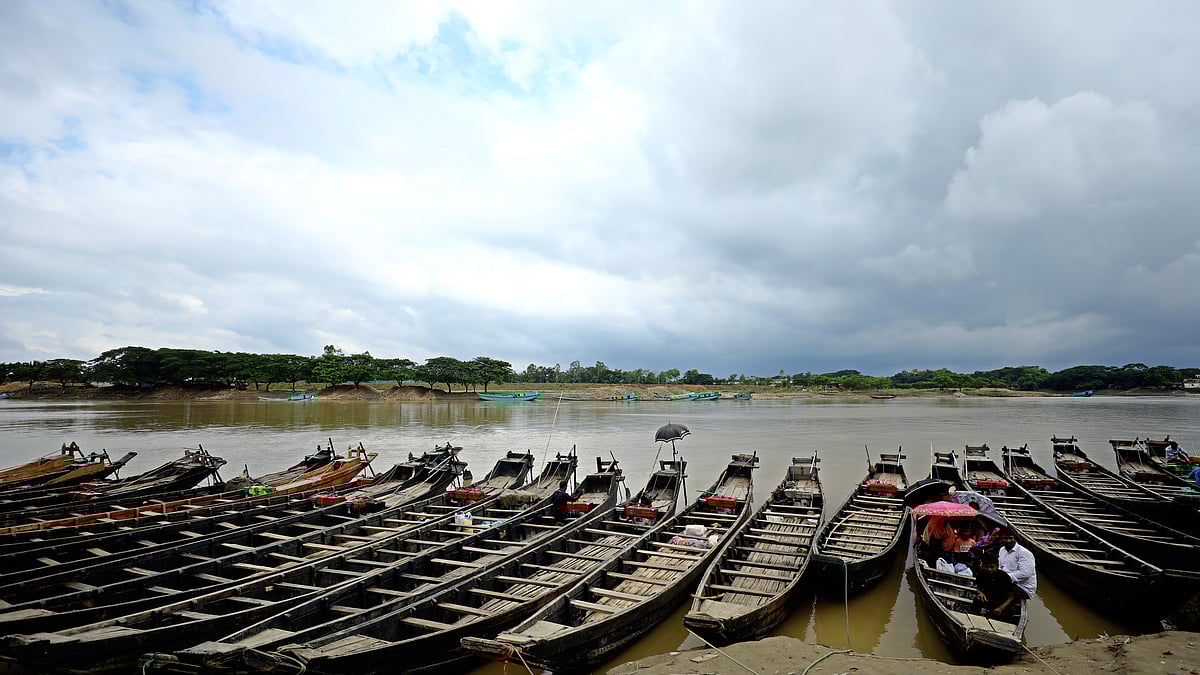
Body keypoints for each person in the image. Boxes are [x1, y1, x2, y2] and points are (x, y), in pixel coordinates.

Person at [996, 529, 1037, 601]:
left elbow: (1025, 573)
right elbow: (1001, 567)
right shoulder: (1002, 550)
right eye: (1005, 538)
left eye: (1011, 538)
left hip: (1023, 588)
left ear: (1015, 538)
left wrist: (1004, 578)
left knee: (995, 589)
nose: (1008, 541)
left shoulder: (1024, 553)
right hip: (1008, 582)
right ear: (1000, 539)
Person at [974, 550, 1017, 618]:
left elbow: (1011, 597)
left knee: (1010, 611)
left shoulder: (1005, 577)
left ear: (997, 566)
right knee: (977, 600)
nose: (989, 569)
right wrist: (980, 593)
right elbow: (978, 587)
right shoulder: (981, 573)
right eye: (986, 567)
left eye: (992, 567)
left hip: (1001, 602)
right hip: (987, 599)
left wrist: (1001, 608)